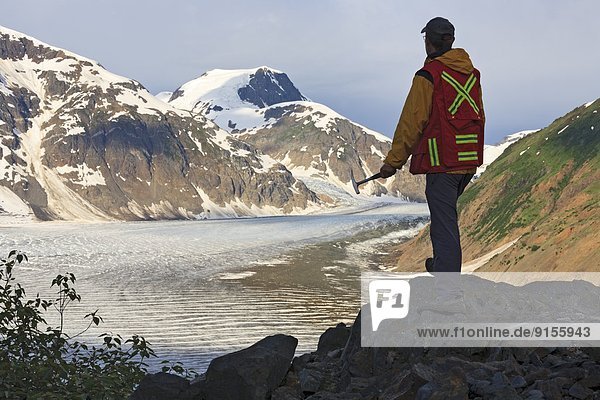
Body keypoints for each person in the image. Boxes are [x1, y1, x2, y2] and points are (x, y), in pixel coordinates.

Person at [380, 17, 485, 278]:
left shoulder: (429, 76)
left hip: (443, 163)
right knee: (446, 221)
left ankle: (447, 294)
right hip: (467, 161)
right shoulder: (470, 74)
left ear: (429, 42)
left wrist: (392, 162)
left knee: (444, 227)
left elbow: (411, 122)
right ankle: (440, 266)